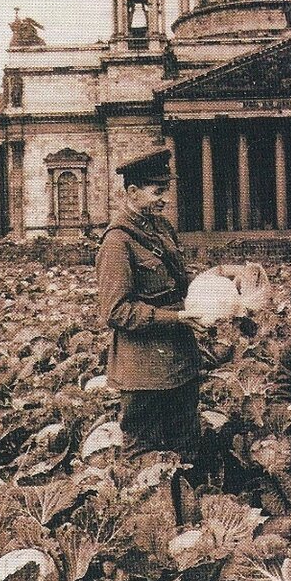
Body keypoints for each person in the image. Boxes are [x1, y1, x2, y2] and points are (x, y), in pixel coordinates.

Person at [97, 149, 203, 463]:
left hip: (180, 362)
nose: (165, 199)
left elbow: (178, 283)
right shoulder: (117, 242)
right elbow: (117, 311)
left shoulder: (163, 229)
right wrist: (176, 318)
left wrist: (218, 288)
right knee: (144, 458)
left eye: (166, 190)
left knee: (185, 448)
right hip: (144, 371)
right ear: (132, 192)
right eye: (158, 191)